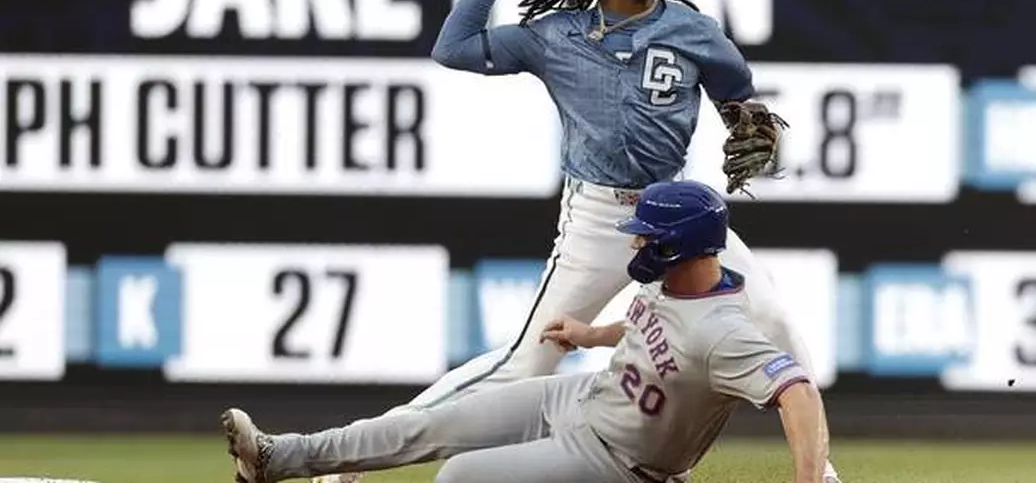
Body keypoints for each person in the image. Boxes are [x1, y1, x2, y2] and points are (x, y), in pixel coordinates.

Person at [321, 0, 840, 483]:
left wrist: (754, 126)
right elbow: (453, 47)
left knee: (774, 321)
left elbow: (740, 104)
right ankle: (360, 452)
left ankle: (820, 474)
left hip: (675, 215)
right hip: (597, 219)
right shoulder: (556, 35)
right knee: (525, 364)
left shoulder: (694, 31)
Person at [222, 180, 831, 483]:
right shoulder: (677, 281)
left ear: (680, 243)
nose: (636, 243)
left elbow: (798, 393)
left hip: (619, 459)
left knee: (459, 478)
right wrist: (594, 336)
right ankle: (278, 458)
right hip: (582, 399)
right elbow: (655, 330)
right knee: (430, 424)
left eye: (646, 235)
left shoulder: (725, 331)